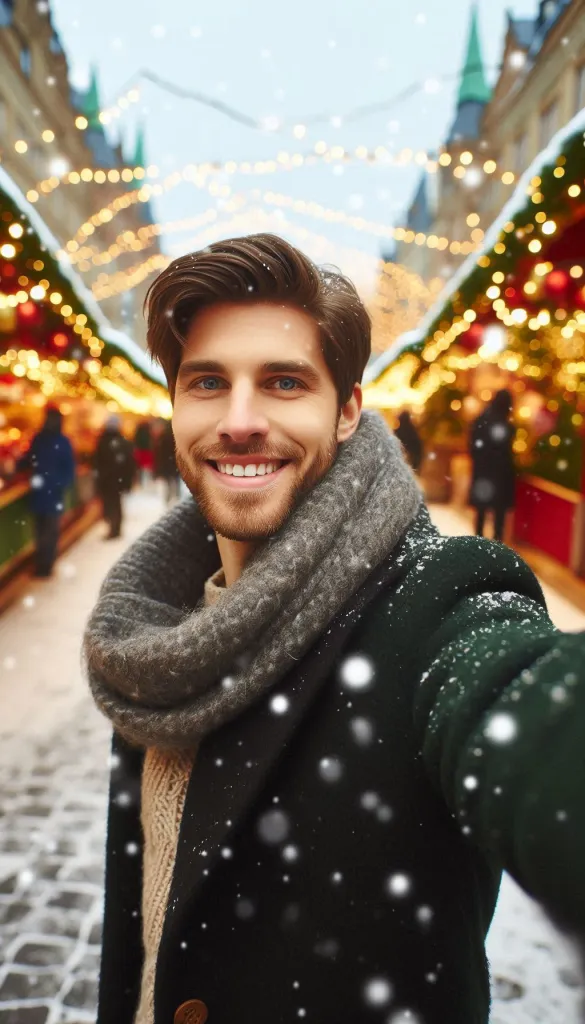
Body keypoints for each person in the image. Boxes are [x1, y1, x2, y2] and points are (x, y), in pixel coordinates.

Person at [83, 235, 585, 1024]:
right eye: (207, 382)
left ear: (347, 410)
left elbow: (517, 703)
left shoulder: (437, 600)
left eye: (284, 383)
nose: (240, 421)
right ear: (175, 406)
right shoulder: (153, 635)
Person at [18, 406, 75, 578]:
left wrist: (57, 484)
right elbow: (29, 460)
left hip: (46, 493)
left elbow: (29, 460)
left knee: (45, 531)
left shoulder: (44, 440)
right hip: (46, 494)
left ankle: (45, 566)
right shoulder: (53, 441)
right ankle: (44, 564)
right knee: (45, 531)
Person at [469, 388, 516, 542]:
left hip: (484, 474)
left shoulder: (482, 421)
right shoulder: (504, 424)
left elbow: (474, 447)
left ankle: (478, 544)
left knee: (481, 512)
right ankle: (496, 546)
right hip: (499, 475)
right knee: (498, 515)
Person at [93, 416, 135, 539]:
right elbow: (130, 464)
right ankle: (116, 528)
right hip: (117, 480)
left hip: (107, 480)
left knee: (111, 504)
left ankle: (113, 528)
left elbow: (97, 462)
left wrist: (100, 477)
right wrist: (127, 480)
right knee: (116, 503)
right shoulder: (122, 441)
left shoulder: (103, 441)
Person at [154, 419, 180, 504]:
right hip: (174, 461)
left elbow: (160, 453)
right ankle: (176, 495)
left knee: (169, 480)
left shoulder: (163, 437)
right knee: (175, 479)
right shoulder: (176, 435)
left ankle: (169, 496)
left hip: (167, 462)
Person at [133, 419, 154, 488]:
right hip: (147, 452)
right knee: (147, 468)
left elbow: (135, 441)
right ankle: (147, 482)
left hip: (140, 451)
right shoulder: (149, 432)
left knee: (140, 468)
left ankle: (140, 482)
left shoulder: (138, 432)